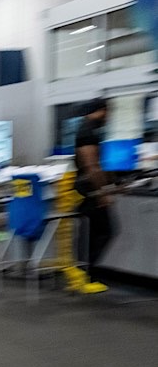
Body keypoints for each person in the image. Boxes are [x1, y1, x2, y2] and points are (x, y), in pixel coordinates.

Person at [74, 98, 113, 265]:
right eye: (108, 111)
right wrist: (102, 192)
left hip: (87, 189)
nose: (109, 116)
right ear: (102, 110)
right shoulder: (88, 131)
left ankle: (86, 271)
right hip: (89, 191)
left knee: (92, 233)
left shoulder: (87, 129)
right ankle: (87, 272)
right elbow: (92, 166)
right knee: (103, 231)